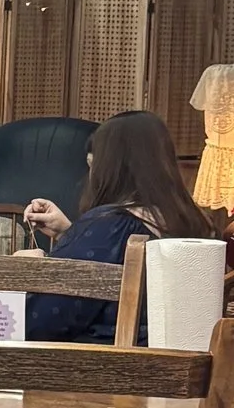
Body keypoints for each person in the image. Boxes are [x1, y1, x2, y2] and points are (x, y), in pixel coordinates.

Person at [22, 107, 217, 341]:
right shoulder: (196, 224)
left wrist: (30, 271)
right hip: (178, 369)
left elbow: (40, 323)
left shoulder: (111, 226)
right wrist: (70, 233)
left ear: (108, 167)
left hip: (105, 371)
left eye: (92, 164)